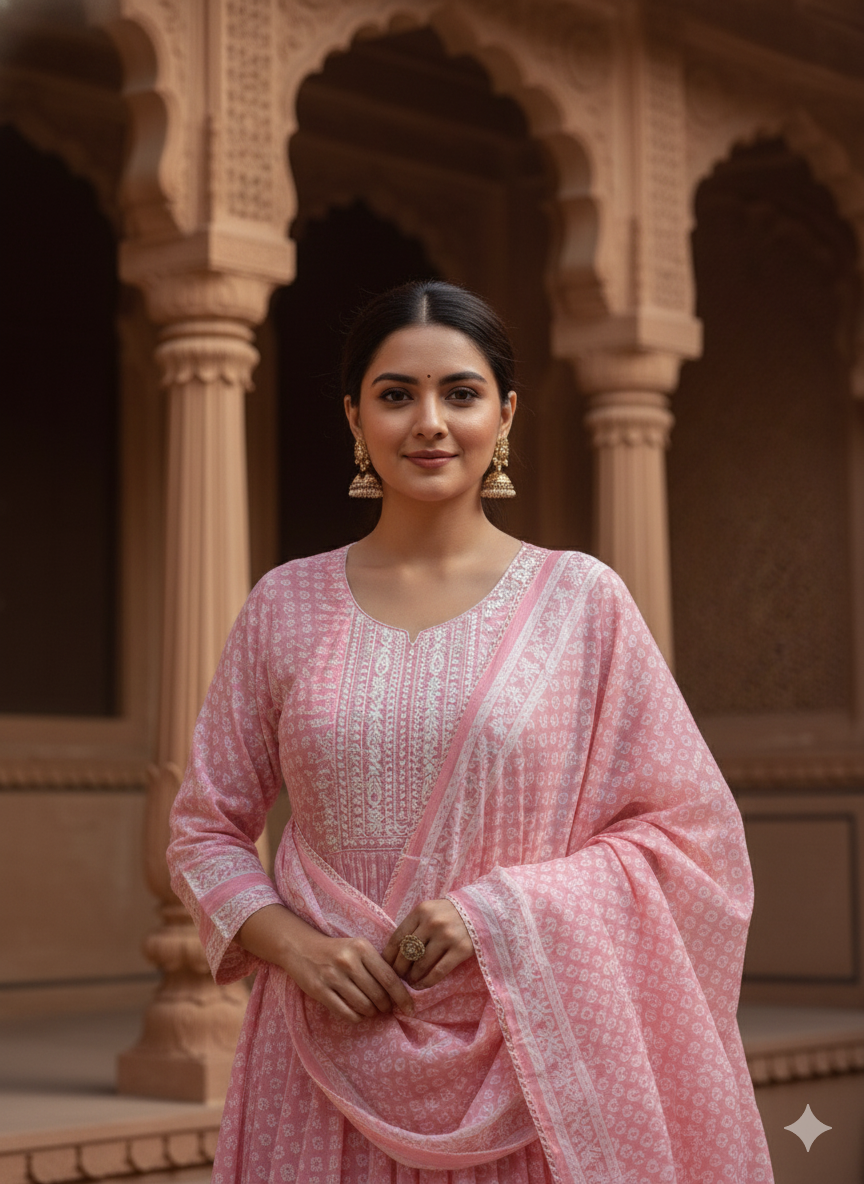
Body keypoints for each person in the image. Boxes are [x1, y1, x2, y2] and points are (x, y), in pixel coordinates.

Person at [167, 280, 773, 1184]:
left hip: (524, 1056)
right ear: (354, 416)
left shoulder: (581, 603)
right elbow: (204, 828)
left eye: (460, 392)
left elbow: (691, 842)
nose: (429, 423)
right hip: (319, 1055)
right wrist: (294, 945)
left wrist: (495, 916)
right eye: (395, 394)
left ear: (505, 412)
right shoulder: (285, 605)